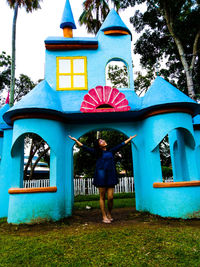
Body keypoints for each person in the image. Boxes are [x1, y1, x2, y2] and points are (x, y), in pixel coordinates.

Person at [68, 134, 137, 224]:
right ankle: (104, 216)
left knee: (111, 197)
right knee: (102, 197)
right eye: (101, 141)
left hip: (111, 175)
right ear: (99, 145)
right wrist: (75, 140)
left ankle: (109, 213)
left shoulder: (111, 151)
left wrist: (130, 139)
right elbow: (84, 147)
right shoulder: (97, 152)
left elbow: (121, 145)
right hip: (101, 175)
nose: (103, 141)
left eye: (103, 140)